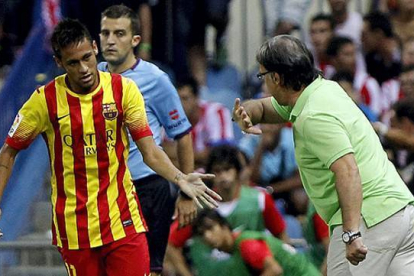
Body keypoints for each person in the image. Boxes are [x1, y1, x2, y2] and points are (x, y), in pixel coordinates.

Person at [0, 19, 221, 276]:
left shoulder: (123, 90)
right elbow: (8, 151)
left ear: (95, 48)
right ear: (59, 62)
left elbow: (149, 151)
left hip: (122, 221)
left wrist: (180, 177)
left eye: (87, 57)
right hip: (74, 229)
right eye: (73, 62)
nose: (84, 68)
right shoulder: (44, 101)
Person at [232, 35, 414, 276]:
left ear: (276, 78)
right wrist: (244, 114)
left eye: (262, 76)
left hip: (368, 221)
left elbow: (347, 169)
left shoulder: (312, 115)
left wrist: (351, 233)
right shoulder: (324, 90)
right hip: (400, 213)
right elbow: (264, 108)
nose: (263, 83)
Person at [97, 5, 195, 275]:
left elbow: (183, 136)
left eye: (119, 33)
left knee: (148, 271)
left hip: (147, 189)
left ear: (135, 40)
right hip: (106, 191)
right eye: (105, 33)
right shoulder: (91, 78)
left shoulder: (155, 80)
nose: (111, 40)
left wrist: (187, 192)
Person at [166, 145, 288, 276]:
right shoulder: (198, 207)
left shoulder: (260, 199)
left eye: (227, 169)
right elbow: (171, 244)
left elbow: (281, 237)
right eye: (217, 171)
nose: (223, 176)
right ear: (210, 174)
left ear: (237, 171)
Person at [193, 209, 321, 276]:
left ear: (224, 226)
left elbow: (274, 270)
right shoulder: (236, 250)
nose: (208, 236)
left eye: (210, 228)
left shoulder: (248, 245)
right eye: (202, 233)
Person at [175, 77, 234, 168]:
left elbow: (220, 155)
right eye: (177, 99)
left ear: (196, 97)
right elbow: (165, 150)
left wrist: (181, 157)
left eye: (185, 98)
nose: (180, 104)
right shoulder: (172, 116)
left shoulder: (217, 112)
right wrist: (199, 157)